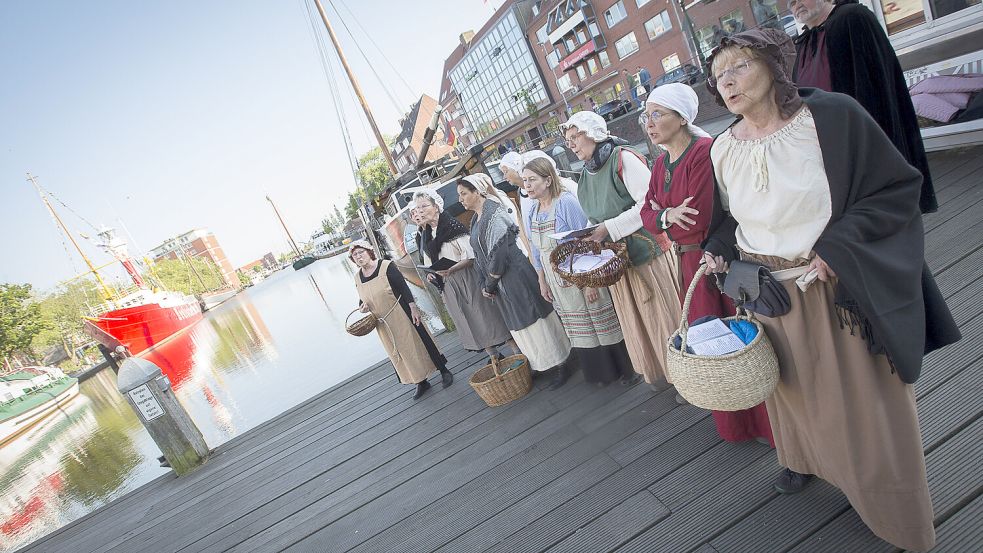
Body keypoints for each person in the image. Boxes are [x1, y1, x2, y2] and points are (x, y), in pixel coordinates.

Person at [702, 29, 960, 550]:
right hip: (767, 292)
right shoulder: (724, 147)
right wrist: (720, 250)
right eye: (717, 77)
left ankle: (896, 511)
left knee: (866, 406)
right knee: (793, 392)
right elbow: (731, 217)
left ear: (774, 65)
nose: (726, 83)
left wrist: (838, 248)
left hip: (836, 287)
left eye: (737, 67)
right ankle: (805, 460)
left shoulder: (831, 117)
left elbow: (894, 188)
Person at [638, 83, 774, 445]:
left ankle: (763, 425)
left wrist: (659, 215)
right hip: (686, 262)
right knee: (707, 336)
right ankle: (735, 423)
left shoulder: (703, 152)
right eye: (645, 116)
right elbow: (645, 213)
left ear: (681, 118)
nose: (648, 124)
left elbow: (697, 219)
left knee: (736, 338)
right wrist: (666, 215)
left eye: (657, 114)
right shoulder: (659, 163)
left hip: (715, 260)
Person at [561, 110, 680, 390]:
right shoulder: (587, 175)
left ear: (593, 132)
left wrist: (608, 229)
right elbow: (595, 215)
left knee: (664, 316)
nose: (573, 145)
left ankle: (684, 375)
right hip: (617, 261)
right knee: (641, 321)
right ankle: (659, 371)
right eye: (568, 142)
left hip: (647, 255)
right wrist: (591, 234)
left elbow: (649, 204)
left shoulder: (623, 158)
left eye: (575, 137)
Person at [791, 0, 937, 213]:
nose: (796, 4)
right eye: (791, 1)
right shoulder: (805, 41)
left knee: (881, 209)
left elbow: (875, 88)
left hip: (861, 140)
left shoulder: (853, 18)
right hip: (828, 148)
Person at [522, 157, 634, 386]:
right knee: (578, 326)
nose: (527, 186)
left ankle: (626, 370)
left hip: (580, 270)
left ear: (548, 179)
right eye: (525, 181)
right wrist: (542, 280)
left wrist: (591, 282)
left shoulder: (566, 203)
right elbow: (536, 250)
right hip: (556, 278)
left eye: (532, 180)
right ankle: (603, 374)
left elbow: (587, 239)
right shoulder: (533, 210)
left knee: (600, 319)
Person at [458, 175, 573, 388]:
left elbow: (500, 253)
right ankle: (541, 363)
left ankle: (562, 361)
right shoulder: (475, 219)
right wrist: (484, 282)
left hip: (515, 275)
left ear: (478, 191)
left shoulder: (494, 213)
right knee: (520, 324)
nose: (461, 199)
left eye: (464, 193)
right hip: (500, 282)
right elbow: (479, 255)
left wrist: (490, 282)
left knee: (536, 318)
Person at [412, 190, 517, 362]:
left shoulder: (452, 227)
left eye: (424, 206)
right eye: (418, 208)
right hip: (447, 283)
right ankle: (494, 357)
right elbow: (429, 261)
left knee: (488, 316)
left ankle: (517, 352)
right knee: (469, 320)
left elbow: (470, 255)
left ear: (436, 207)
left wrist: (452, 269)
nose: (420, 211)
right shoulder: (426, 234)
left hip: (467, 278)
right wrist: (431, 274)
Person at [349, 241, 454, 400]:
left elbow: (403, 287)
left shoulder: (386, 266)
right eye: (354, 255)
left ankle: (444, 371)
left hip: (403, 311)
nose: (358, 256)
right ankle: (421, 381)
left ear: (369, 252)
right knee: (401, 352)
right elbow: (362, 299)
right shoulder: (357, 277)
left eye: (360, 252)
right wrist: (362, 307)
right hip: (383, 322)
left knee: (421, 341)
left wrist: (413, 308)